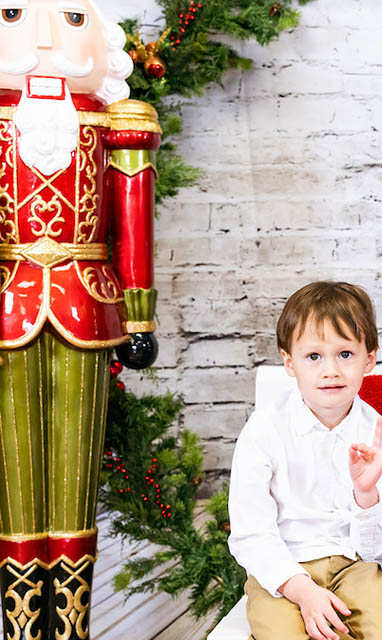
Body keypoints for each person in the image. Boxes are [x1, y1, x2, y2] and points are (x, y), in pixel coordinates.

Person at [0, 2, 160, 637]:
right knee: (13, 479)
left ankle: (71, 626)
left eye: (68, 16)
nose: (42, 35)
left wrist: (140, 317)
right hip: (7, 301)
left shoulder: (119, 122)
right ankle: (18, 627)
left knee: (74, 476)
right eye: (14, 12)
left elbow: (134, 223)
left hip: (87, 302)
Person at [228, 282, 382, 640]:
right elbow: (252, 532)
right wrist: (303, 591)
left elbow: (378, 550)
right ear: (289, 363)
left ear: (370, 359)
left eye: (345, 354)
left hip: (356, 566)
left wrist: (366, 495)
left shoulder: (378, 433)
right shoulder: (264, 430)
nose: (330, 370)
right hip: (284, 569)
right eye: (314, 357)